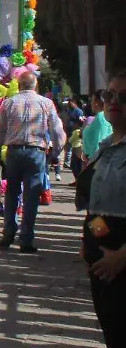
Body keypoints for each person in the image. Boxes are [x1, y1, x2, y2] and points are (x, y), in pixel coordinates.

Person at [75, 71, 126, 347]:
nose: (114, 101)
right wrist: (90, 237)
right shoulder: (105, 148)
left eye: (124, 97)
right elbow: (97, 205)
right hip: (102, 267)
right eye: (109, 95)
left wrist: (122, 256)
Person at [0, 71, 65, 254]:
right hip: (36, 152)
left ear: (18, 85)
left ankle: (8, 233)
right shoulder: (46, 103)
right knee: (32, 195)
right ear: (35, 85)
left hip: (14, 152)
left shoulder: (8, 103)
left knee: (12, 193)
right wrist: (56, 151)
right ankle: (26, 239)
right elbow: (57, 131)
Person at [85, 91, 113, 161]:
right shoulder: (104, 116)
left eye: (92, 100)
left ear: (96, 102)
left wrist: (92, 162)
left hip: (96, 160)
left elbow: (99, 141)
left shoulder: (101, 116)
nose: (91, 103)